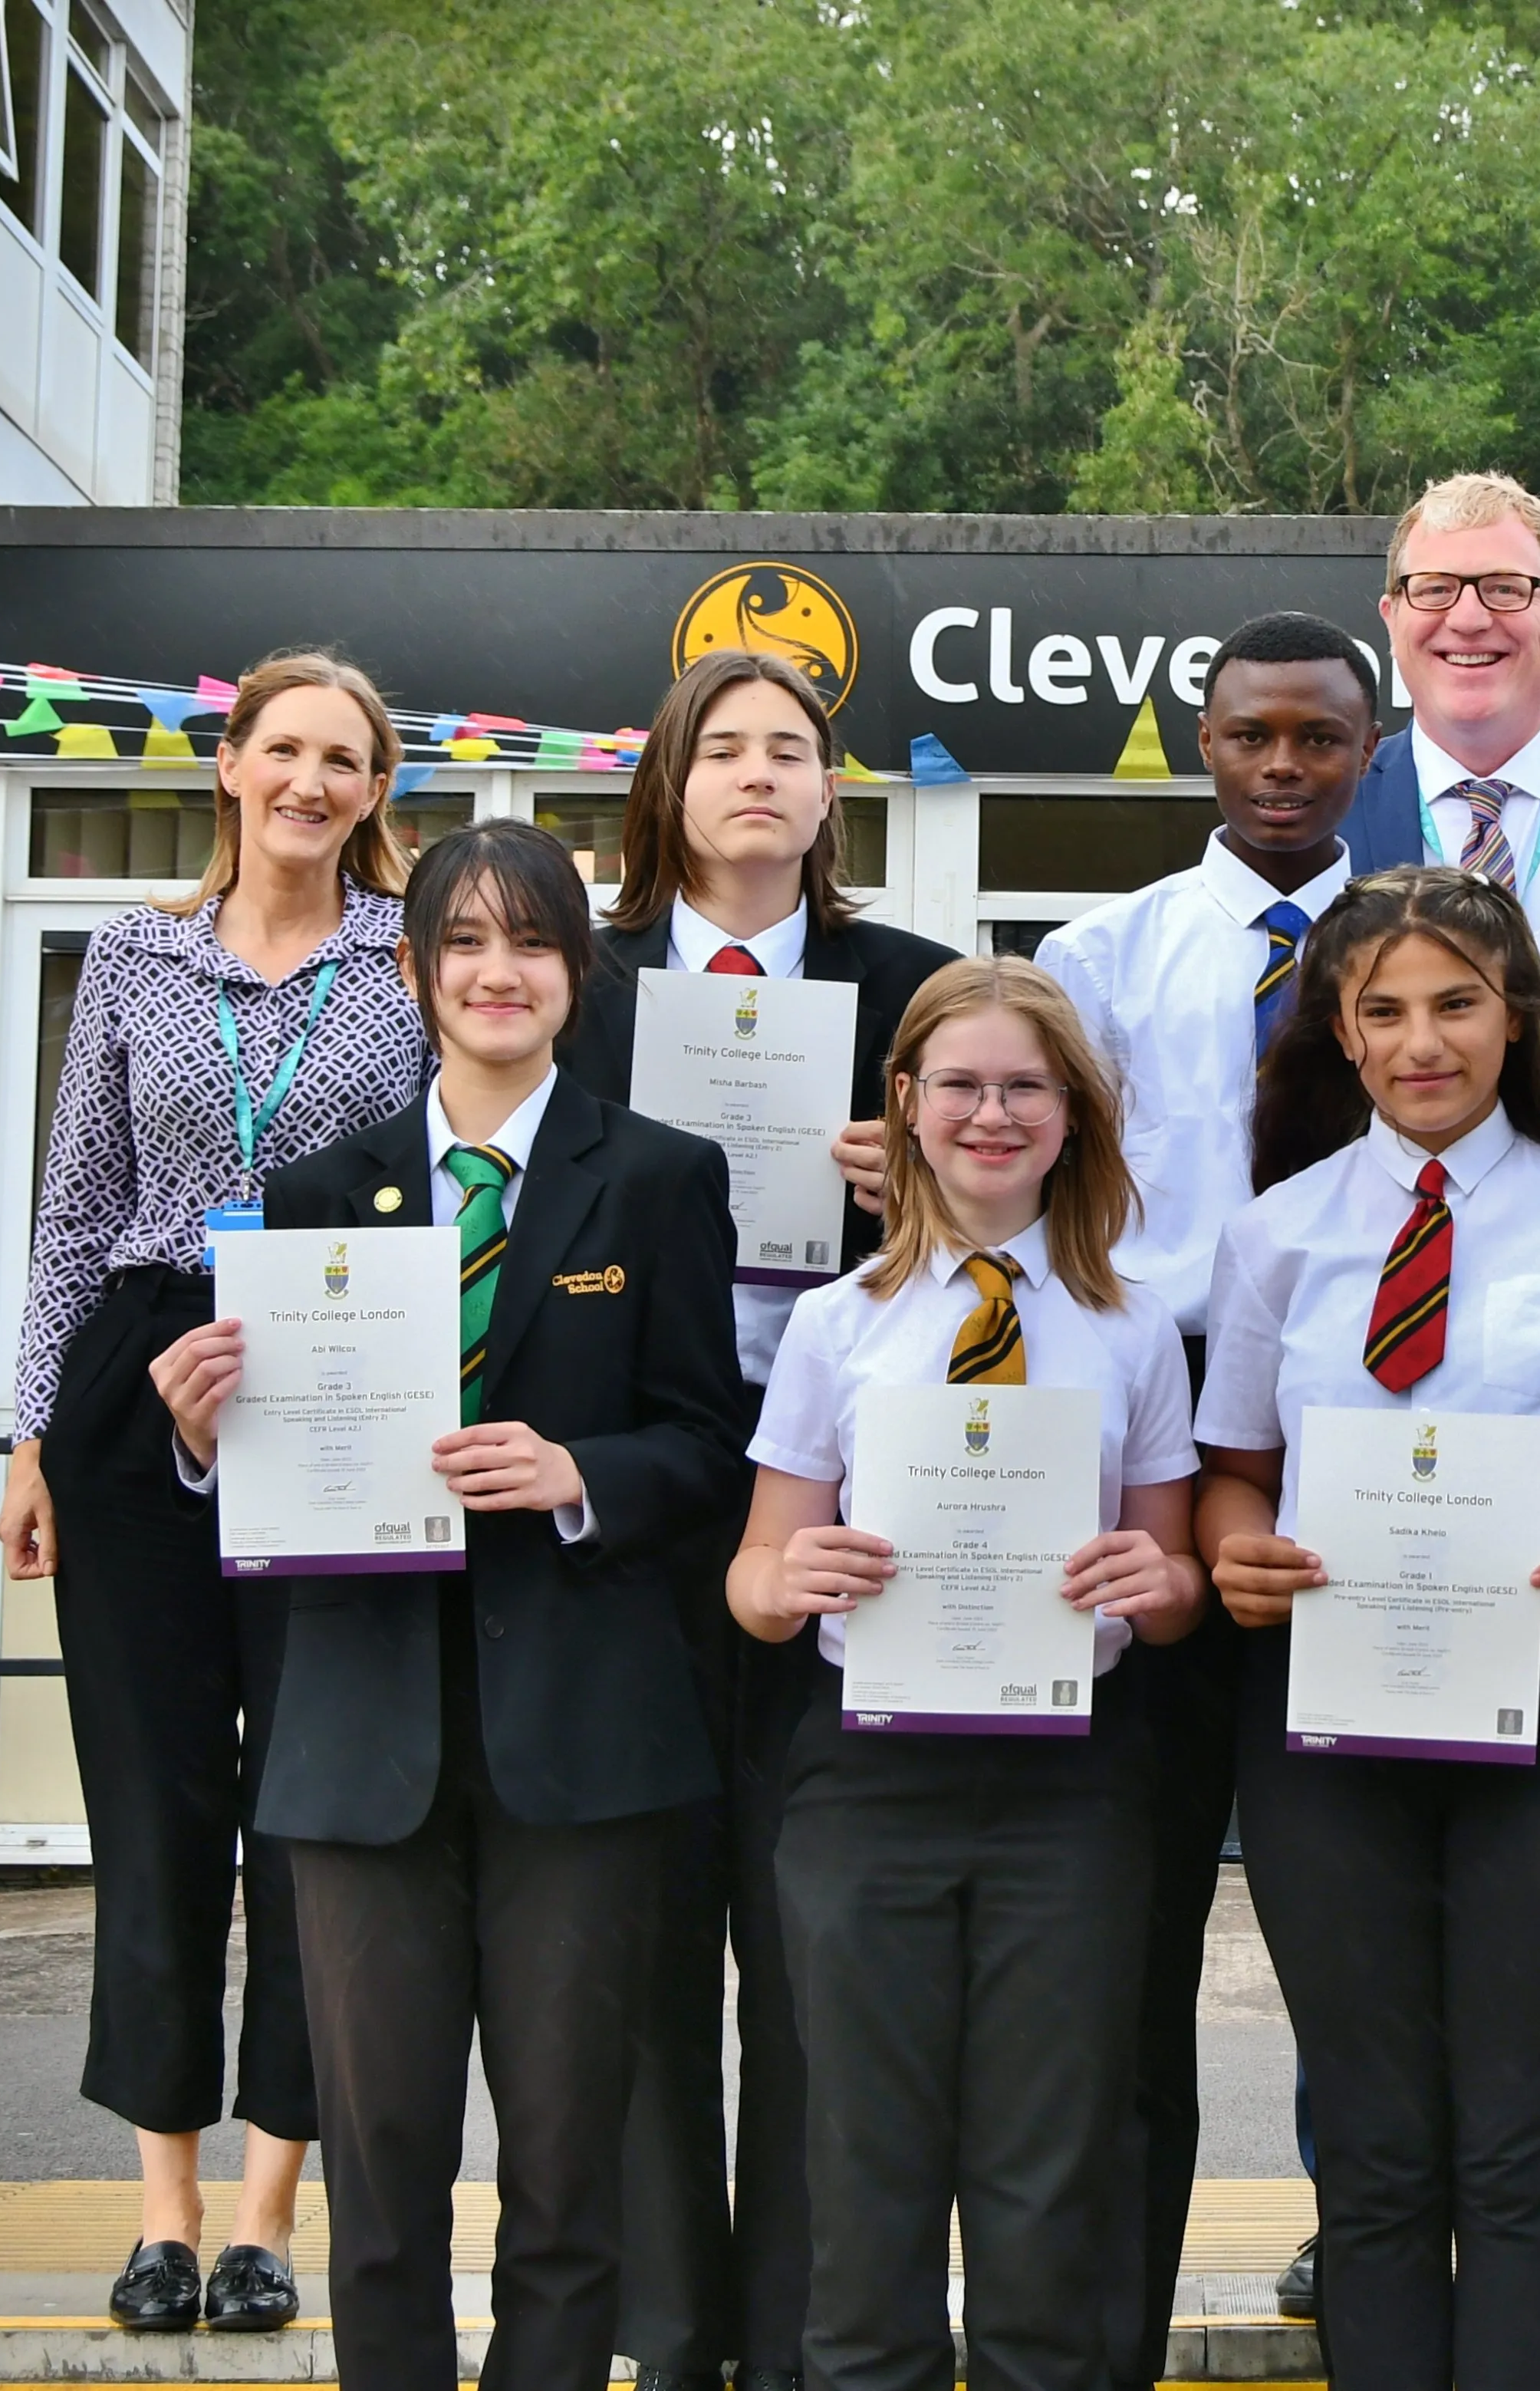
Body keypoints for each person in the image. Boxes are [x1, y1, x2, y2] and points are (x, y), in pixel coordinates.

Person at [155, 818, 752, 2391]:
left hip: (586, 1744)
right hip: (364, 1746)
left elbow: (710, 1445)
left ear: (577, 971)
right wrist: (205, 1437)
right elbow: (274, 1468)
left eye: (533, 941)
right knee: (380, 2176)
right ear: (416, 971)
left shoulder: (660, 1177)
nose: (500, 972)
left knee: (566, 2170)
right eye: (466, 942)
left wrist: (576, 1472)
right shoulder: (315, 1190)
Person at [1196, 867, 1540, 2390]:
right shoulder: (1279, 1233)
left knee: (1520, 2144)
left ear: (1514, 1019)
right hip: (1331, 1712)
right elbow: (1231, 1469)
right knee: (1376, 2152)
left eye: (1455, 1002)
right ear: (1343, 1032)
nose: (1421, 1039)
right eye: (1383, 1010)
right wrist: (1235, 1551)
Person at [0, 652, 430, 2335]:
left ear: (377, 790)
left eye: (347, 760)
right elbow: (74, 1205)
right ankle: (164, 2214)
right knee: (154, 1806)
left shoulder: (408, 958)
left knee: (308, 1815)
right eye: (286, 750)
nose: (312, 782)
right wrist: (34, 1436)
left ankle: (268, 2212)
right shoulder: (134, 953)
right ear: (232, 764)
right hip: (140, 1373)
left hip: (337, 1372)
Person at [559, 648, 962, 2391]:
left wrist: (916, 1180)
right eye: (720, 746)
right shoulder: (584, 982)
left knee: (816, 1944)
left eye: (789, 749)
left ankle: (808, 2336)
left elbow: (1019, 1203)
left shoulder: (912, 987)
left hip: (848, 1503)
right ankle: (670, 2335)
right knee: (644, 1933)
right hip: (638, 1487)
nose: (756, 774)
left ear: (828, 790)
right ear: (667, 781)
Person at [729, 957, 1206, 2391]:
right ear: (906, 1103)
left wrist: (1160, 1584)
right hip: (867, 1780)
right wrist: (788, 1581)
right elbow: (756, 1576)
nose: (991, 1114)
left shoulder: (1133, 1326)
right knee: (863, 2162)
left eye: (1023, 1088)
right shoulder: (837, 1322)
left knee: (1046, 2169)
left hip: (1071, 1786)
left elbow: (1178, 1582)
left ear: (1073, 1115)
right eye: (960, 1085)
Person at [1031, 609, 1377, 2376]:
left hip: (1368, 1476)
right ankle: (1109, 2326)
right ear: (1201, 743)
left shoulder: (1430, 954)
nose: (1284, 766)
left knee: (1370, 1931)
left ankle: (1380, 2274)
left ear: (1370, 754)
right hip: (1161, 1479)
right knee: (1131, 1939)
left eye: (1319, 737)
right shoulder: (1097, 957)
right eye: (1252, 734)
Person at [1344, 470, 1540, 923]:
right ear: (1391, 620)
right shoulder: (1329, 811)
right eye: (1435, 589)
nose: (1468, 619)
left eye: (1505, 589)